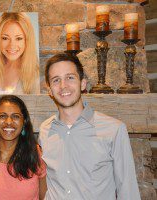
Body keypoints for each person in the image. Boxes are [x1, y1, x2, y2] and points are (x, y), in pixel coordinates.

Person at [38, 53, 141, 200]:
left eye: (70, 77)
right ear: (49, 90)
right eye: (56, 80)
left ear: (83, 83)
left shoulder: (114, 130)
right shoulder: (45, 130)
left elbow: (128, 191)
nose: (63, 86)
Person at [0, 95, 47, 200]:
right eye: (2, 116)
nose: (9, 122)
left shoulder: (36, 154)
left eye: (16, 116)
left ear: (24, 122)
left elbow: (44, 197)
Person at [0, 12, 39, 94]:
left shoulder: (37, 73)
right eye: (5, 38)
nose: (12, 45)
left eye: (18, 38)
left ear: (27, 41)